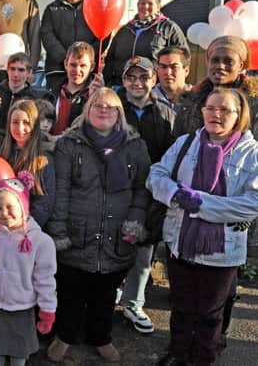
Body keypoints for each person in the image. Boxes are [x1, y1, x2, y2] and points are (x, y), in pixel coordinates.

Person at [147, 88, 258, 366]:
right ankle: (178, 352)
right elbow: (156, 174)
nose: (215, 115)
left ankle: (203, 358)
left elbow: (252, 203)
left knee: (210, 314)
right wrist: (174, 194)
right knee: (181, 308)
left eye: (224, 110)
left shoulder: (252, 153)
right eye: (210, 108)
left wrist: (202, 204)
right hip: (180, 239)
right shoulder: (187, 143)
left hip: (222, 250)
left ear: (239, 115)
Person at [46, 88, 151, 362]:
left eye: (111, 107)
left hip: (116, 233)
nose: (104, 110)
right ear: (87, 110)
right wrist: (58, 230)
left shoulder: (135, 145)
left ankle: (100, 336)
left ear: (119, 114)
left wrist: (135, 222)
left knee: (105, 292)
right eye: (97, 106)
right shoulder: (70, 144)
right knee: (70, 290)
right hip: (77, 231)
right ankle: (65, 335)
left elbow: (142, 188)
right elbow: (61, 189)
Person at [114, 56, 176, 335]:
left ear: (153, 79)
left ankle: (133, 302)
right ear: (124, 79)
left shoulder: (167, 113)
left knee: (144, 252)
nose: (137, 83)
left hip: (151, 192)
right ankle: (112, 292)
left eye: (143, 77)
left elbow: (173, 154)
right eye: (131, 77)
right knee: (113, 244)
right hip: (116, 188)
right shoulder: (112, 107)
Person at [0, 171, 57, 366]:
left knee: (18, 350)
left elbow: (44, 278)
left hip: (21, 305)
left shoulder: (39, 241)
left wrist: (47, 309)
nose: (4, 213)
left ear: (24, 206)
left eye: (10, 207)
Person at [174, 35, 258, 138]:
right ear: (208, 63)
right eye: (215, 60)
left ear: (241, 66)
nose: (220, 66)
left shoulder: (254, 101)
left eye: (228, 61)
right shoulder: (190, 101)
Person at [104, 0, 189, 86]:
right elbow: (110, 59)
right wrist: (107, 82)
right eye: (142, 3)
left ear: (158, 6)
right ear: (137, 5)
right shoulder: (125, 30)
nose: (145, 6)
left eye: (150, 3)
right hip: (122, 87)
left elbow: (183, 58)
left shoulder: (169, 29)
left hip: (153, 89)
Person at [40, 0, 103, 91]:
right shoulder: (51, 9)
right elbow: (47, 35)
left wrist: (86, 58)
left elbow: (102, 37)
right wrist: (67, 59)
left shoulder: (95, 8)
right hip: (57, 70)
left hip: (85, 72)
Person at [0, 100, 56, 228]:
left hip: (28, 231)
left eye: (26, 123)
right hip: (0, 228)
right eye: (15, 122)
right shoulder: (1, 154)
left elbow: (44, 204)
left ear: (35, 125)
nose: (20, 128)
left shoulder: (43, 159)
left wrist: (22, 228)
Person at [47, 41, 104, 136]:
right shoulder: (51, 92)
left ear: (92, 67)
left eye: (83, 66)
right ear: (66, 64)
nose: (77, 70)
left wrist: (99, 98)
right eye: (73, 65)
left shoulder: (95, 95)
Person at [0, 52, 39, 129]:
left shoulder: (34, 99)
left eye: (21, 70)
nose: (16, 74)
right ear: (7, 70)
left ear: (29, 72)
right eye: (12, 69)